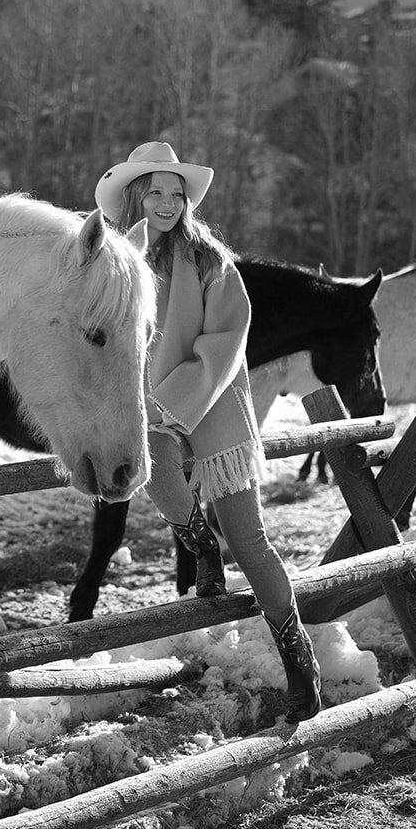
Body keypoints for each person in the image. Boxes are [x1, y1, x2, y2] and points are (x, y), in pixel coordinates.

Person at [95, 141, 322, 720]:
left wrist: (174, 400)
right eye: (156, 192)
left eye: (177, 194)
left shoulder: (211, 263)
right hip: (150, 408)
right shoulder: (118, 259)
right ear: (135, 195)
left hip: (211, 401)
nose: (168, 204)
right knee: (153, 468)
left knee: (251, 542)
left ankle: (298, 654)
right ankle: (198, 540)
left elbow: (223, 344)